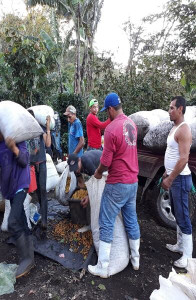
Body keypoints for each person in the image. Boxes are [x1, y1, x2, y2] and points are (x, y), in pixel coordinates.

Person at [88, 92, 140, 278]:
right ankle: (135, 259)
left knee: (106, 222)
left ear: (110, 108)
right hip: (133, 182)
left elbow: (106, 161)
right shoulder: (131, 124)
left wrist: (98, 172)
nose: (106, 114)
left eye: (106, 111)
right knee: (131, 218)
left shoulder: (111, 129)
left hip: (117, 182)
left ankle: (103, 266)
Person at [0, 119, 34, 278]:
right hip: (10, 188)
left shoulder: (16, 138)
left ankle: (26, 258)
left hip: (21, 183)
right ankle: (30, 256)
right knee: (20, 220)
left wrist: (13, 148)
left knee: (12, 222)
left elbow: (25, 160)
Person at [162, 96, 193, 269]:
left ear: (180, 109)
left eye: (172, 108)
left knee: (183, 215)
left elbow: (183, 159)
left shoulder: (184, 130)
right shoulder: (174, 128)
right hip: (174, 177)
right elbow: (172, 155)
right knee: (175, 211)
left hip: (180, 179)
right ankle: (180, 245)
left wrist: (171, 178)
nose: (169, 110)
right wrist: (166, 173)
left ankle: (188, 257)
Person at [27, 111, 51, 229]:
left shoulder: (40, 128)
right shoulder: (25, 132)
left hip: (41, 163)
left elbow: (48, 144)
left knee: (43, 190)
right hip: (31, 165)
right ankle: (42, 213)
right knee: (37, 191)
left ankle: (45, 220)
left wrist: (47, 128)